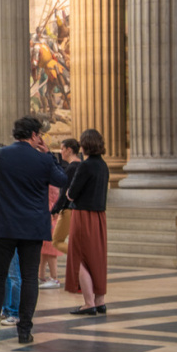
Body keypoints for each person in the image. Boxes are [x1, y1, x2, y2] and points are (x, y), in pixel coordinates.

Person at [0, 115, 68, 344]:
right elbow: (62, 180)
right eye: (40, 135)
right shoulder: (43, 160)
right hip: (33, 227)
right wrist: (49, 155)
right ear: (34, 135)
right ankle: (25, 331)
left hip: (3, 225)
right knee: (29, 278)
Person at [65, 129, 110, 315]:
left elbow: (71, 193)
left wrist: (68, 193)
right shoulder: (103, 166)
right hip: (99, 216)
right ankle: (100, 301)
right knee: (97, 258)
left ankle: (89, 303)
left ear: (85, 145)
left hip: (83, 215)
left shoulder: (85, 166)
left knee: (79, 258)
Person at [51, 138, 81, 254]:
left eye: (62, 149)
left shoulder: (72, 168)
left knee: (57, 241)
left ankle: (80, 256)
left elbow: (64, 192)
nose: (60, 151)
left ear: (69, 150)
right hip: (79, 209)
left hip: (68, 208)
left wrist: (55, 209)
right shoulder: (82, 166)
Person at [38, 184, 63, 289]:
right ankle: (41, 276)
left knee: (50, 249)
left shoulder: (52, 183)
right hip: (47, 214)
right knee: (44, 249)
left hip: (50, 215)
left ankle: (54, 277)